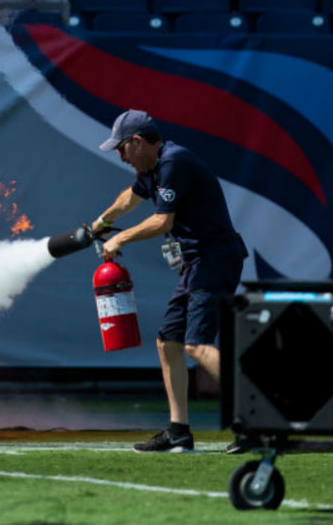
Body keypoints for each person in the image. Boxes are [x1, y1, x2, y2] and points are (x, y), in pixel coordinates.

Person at [91, 110, 248, 453]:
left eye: (121, 149)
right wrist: (102, 222)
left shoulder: (173, 162)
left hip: (215, 259)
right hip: (197, 263)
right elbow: (130, 198)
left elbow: (162, 221)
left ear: (137, 143)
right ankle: (179, 432)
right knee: (168, 343)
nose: (119, 156)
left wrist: (119, 239)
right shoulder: (151, 168)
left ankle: (256, 419)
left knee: (196, 344)